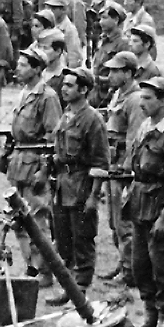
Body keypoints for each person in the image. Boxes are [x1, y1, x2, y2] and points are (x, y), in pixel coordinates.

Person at [126, 77, 164, 327]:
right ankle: (149, 314)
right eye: (141, 97)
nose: (142, 102)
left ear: (163, 101)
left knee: (160, 265)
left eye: (148, 98)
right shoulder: (144, 127)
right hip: (140, 204)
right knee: (139, 265)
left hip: (159, 207)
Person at [0, 46, 62, 287]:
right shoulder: (24, 93)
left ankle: (44, 271)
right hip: (19, 161)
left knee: (36, 220)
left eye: (24, 65)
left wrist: (44, 170)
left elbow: (52, 139)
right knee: (18, 220)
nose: (18, 68)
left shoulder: (47, 97)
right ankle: (31, 268)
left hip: (35, 163)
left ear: (37, 69)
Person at [47, 67, 109, 305]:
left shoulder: (92, 119)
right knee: (63, 237)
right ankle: (69, 285)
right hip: (63, 184)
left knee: (82, 238)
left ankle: (80, 288)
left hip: (82, 185)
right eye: (64, 84)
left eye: (70, 85)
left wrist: (94, 196)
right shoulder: (67, 115)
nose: (64, 89)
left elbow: (100, 161)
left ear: (83, 90)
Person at [99, 51, 142, 287]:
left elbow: (135, 137)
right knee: (114, 222)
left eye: (116, 71)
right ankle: (122, 264)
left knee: (125, 224)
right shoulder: (118, 95)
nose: (111, 75)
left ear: (128, 73)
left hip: (123, 169)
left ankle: (129, 272)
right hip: (111, 165)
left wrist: (128, 172)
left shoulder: (135, 100)